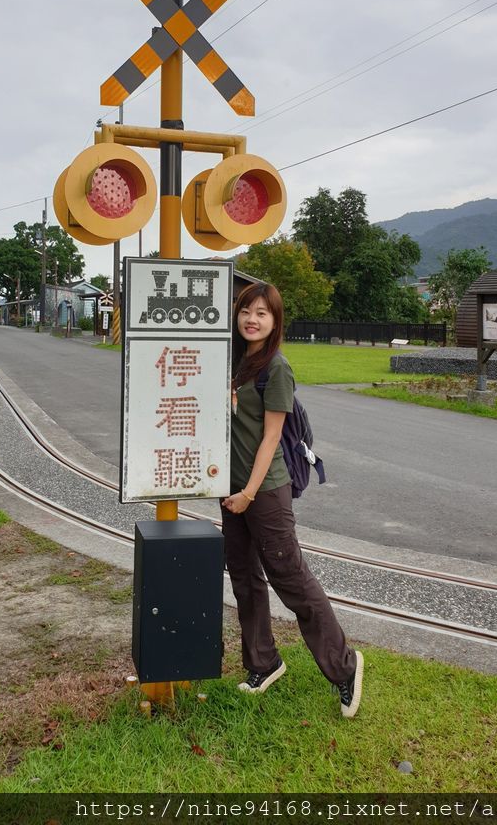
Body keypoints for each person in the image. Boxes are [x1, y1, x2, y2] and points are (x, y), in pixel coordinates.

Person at [221, 281, 363, 718]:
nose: (252, 319)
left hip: (263, 492)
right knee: (244, 577)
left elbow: (271, 438)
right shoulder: (232, 361)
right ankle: (264, 662)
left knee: (290, 579)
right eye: (247, 310)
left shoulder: (275, 368)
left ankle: (345, 667)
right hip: (231, 490)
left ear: (275, 321)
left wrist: (247, 493)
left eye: (263, 313)